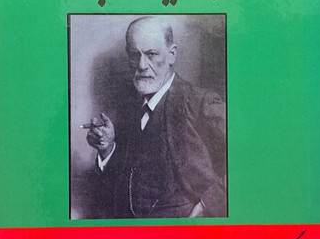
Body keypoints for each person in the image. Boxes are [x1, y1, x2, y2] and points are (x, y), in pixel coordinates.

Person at [85, 16, 226, 218]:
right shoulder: (129, 108)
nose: (142, 65)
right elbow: (125, 185)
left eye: (151, 54)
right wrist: (107, 148)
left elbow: (246, 158)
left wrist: (207, 206)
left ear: (171, 55)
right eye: (135, 55)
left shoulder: (201, 103)